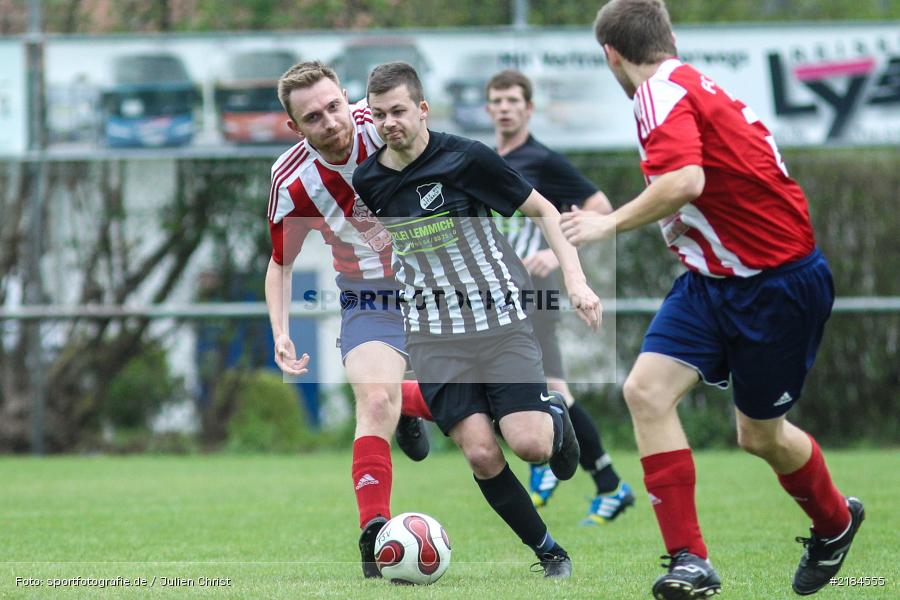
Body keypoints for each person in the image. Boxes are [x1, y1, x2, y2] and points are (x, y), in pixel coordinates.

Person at [560, 1, 864, 597]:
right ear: (668, 36)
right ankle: (689, 561)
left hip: (776, 284)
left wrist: (606, 225)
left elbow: (685, 182)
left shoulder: (657, 93)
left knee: (760, 436)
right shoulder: (688, 83)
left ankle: (834, 524)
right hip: (711, 282)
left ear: (610, 56)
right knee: (644, 391)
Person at [353, 61, 603, 578]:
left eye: (398, 111)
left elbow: (546, 211)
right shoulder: (370, 179)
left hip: (501, 324)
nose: (389, 122)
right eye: (379, 115)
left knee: (531, 445)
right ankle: (549, 552)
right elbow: (386, 244)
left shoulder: (467, 159)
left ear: (422, 110)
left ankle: (554, 417)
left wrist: (576, 281)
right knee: (483, 454)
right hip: (435, 338)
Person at [265, 60, 435, 579]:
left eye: (335, 106)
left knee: (475, 403)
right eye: (313, 117)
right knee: (374, 397)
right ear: (295, 127)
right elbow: (281, 264)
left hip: (432, 285)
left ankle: (424, 403)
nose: (331, 122)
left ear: (347, 98)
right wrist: (281, 334)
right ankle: (375, 531)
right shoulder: (290, 181)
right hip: (367, 294)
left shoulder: (385, 124)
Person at [486, 69, 635, 524]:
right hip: (500, 293)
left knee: (551, 386)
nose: (505, 107)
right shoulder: (487, 159)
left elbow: (600, 207)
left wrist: (556, 253)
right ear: (489, 108)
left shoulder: (542, 160)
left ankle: (572, 474)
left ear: (529, 109)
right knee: (546, 387)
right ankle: (604, 482)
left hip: (536, 292)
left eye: (513, 100)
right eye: (497, 100)